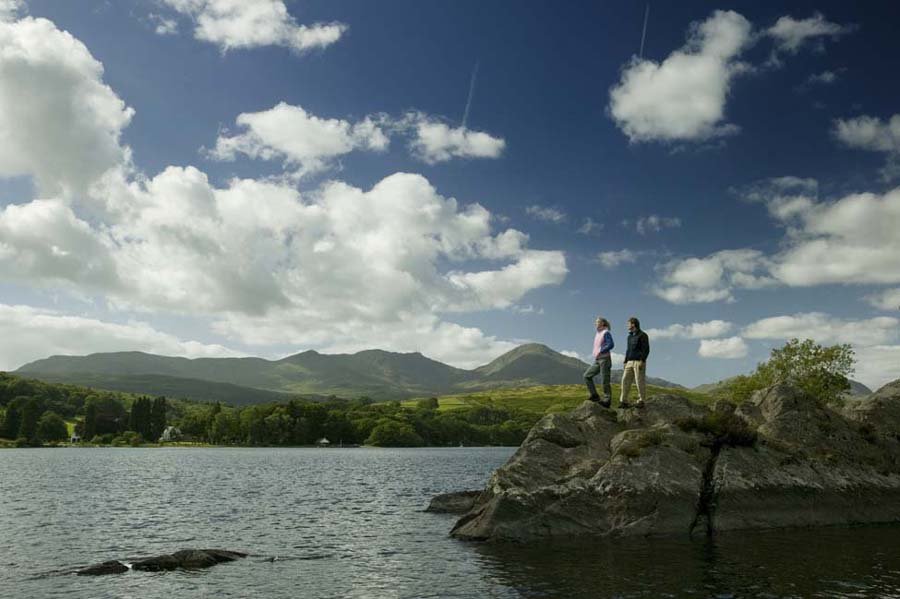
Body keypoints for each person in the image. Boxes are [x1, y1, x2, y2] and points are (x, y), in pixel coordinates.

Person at [619, 316, 649, 409]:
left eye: (628, 324)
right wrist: (625, 361)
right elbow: (628, 350)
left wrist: (642, 360)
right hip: (629, 362)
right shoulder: (629, 337)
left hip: (638, 362)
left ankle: (641, 400)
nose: (627, 326)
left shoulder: (643, 335)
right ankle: (623, 401)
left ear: (633, 324)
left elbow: (646, 349)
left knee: (639, 381)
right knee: (624, 380)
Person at [584, 317, 614, 407]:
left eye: (597, 322)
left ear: (602, 323)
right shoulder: (598, 334)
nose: (595, 323)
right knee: (587, 376)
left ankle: (607, 400)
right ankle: (595, 396)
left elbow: (611, 344)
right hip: (597, 360)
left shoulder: (606, 332)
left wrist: (601, 350)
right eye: (595, 322)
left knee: (605, 380)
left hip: (605, 359)